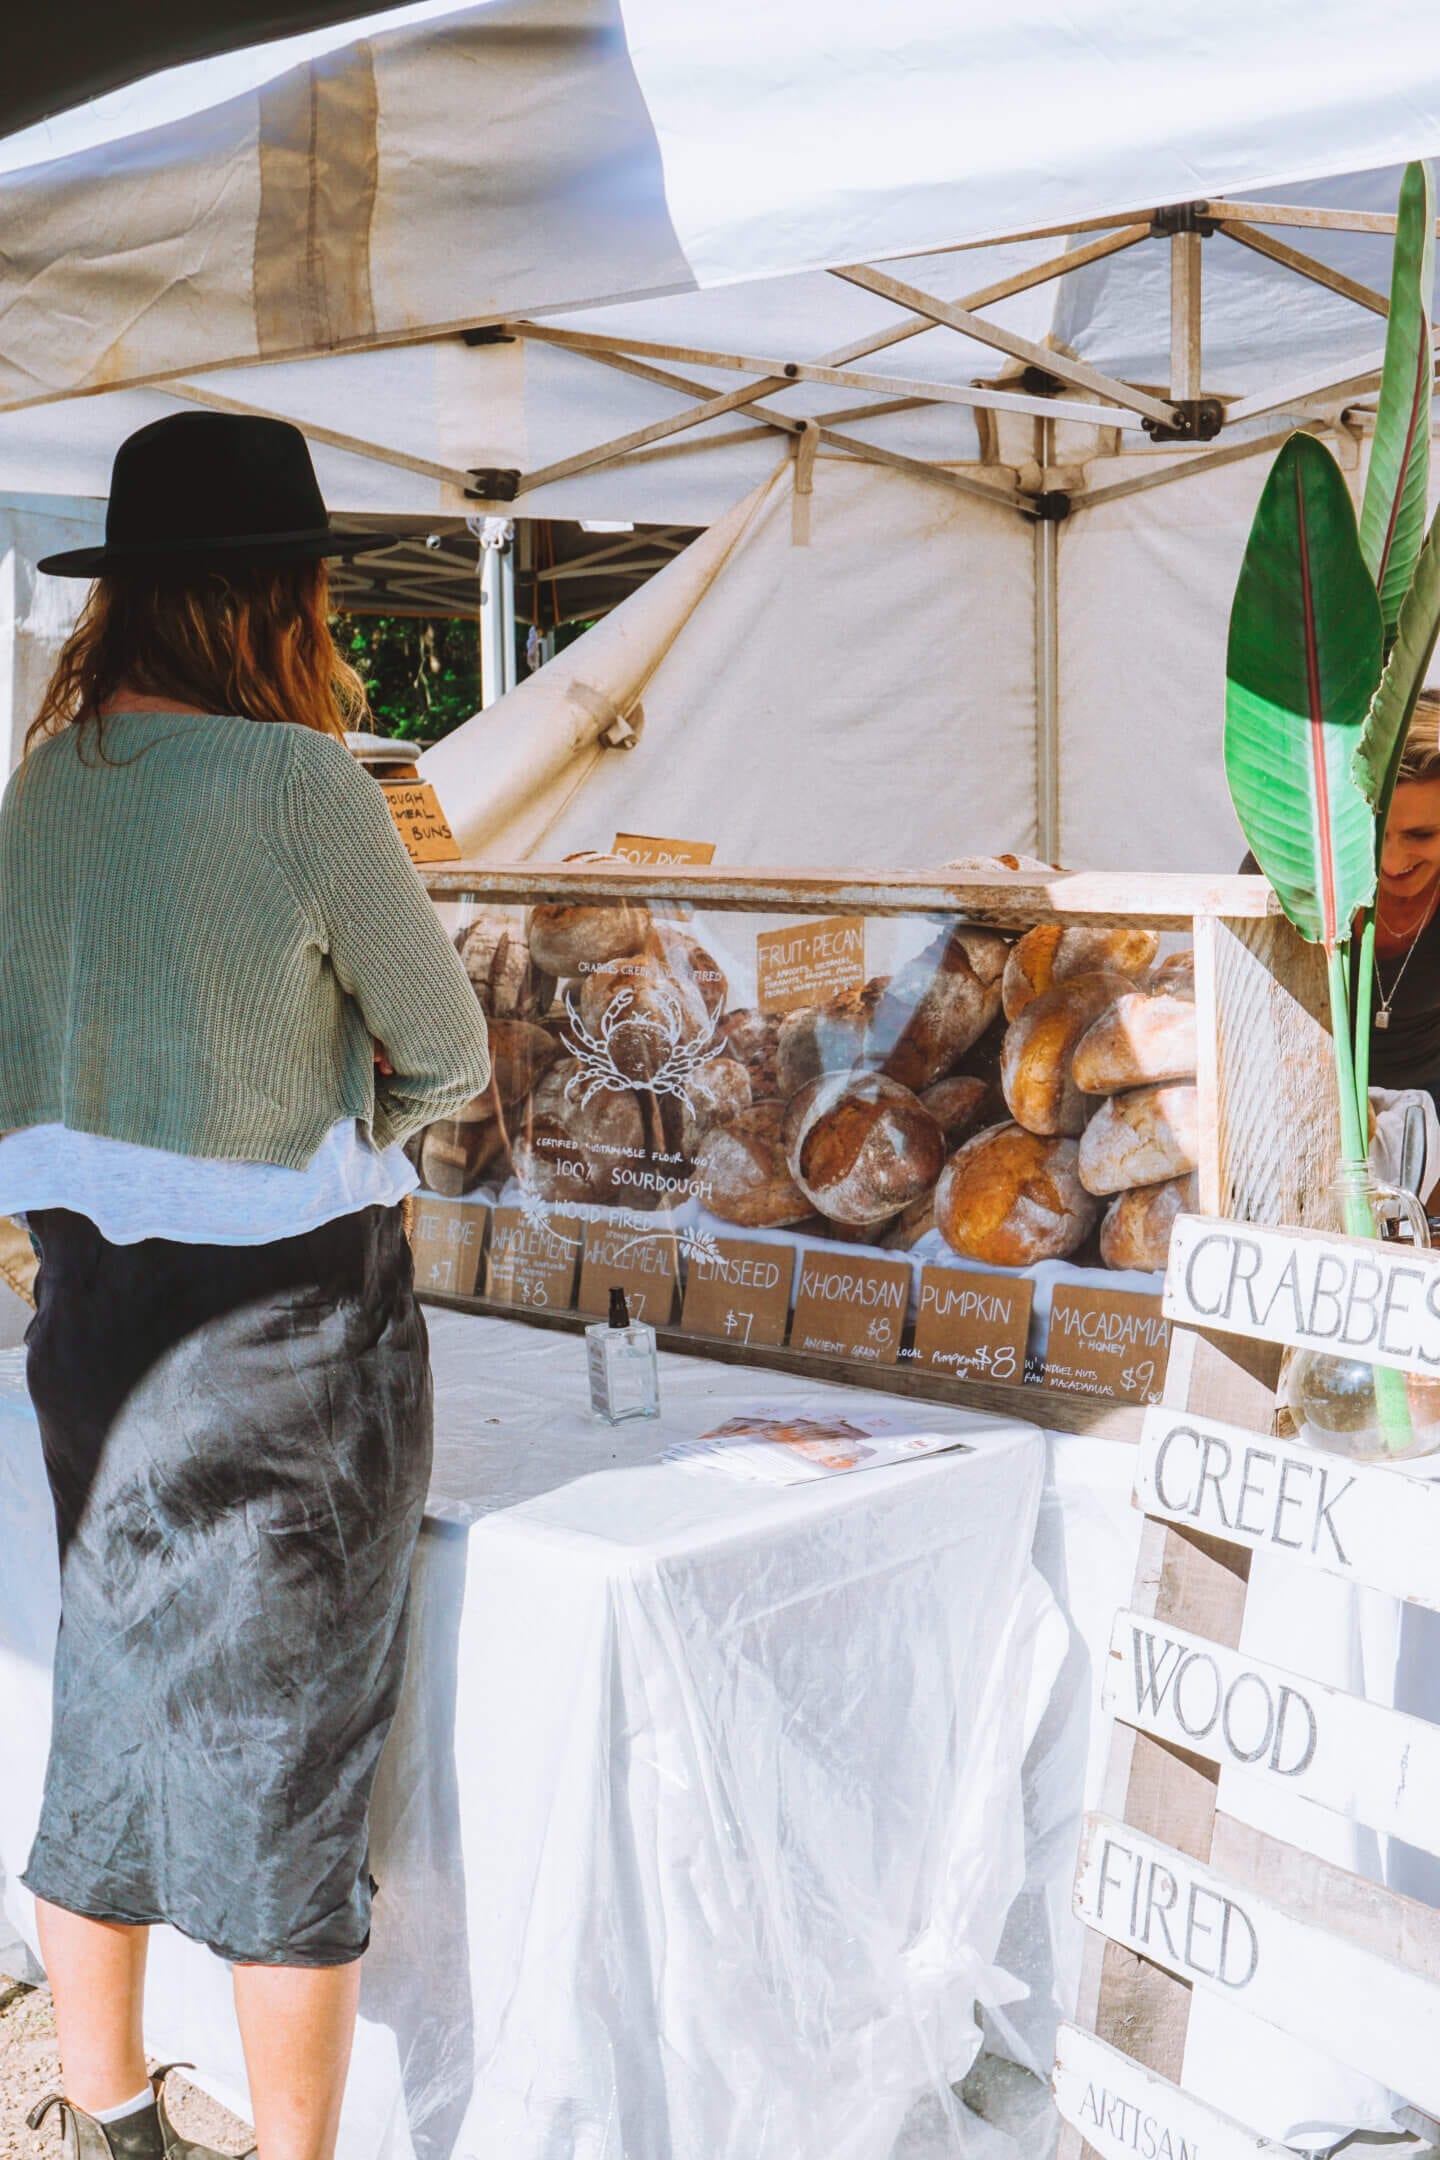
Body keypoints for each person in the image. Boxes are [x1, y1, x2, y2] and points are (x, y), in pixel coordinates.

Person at [0, 413, 490, 2160]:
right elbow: (451, 1052)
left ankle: (108, 2119)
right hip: (288, 1342)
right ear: (276, 597)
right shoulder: (298, 783)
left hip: (86, 1325)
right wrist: (351, 1102)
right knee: (286, 1773)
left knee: (115, 1713)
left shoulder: (46, 780)